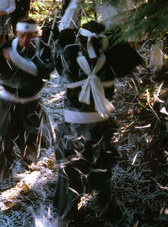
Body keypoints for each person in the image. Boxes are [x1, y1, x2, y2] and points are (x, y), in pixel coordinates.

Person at [53, 20, 142, 226]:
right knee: (102, 163)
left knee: (71, 167)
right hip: (102, 124)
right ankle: (103, 202)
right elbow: (130, 59)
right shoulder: (113, 62)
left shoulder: (70, 61)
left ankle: (68, 210)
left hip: (75, 125)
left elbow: (60, 43)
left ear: (81, 43)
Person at [0, 18, 54, 198]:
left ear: (36, 34)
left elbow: (42, 71)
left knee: (30, 139)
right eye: (21, 35)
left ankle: (29, 159)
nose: (25, 39)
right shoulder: (7, 46)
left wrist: (16, 59)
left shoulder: (44, 50)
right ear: (16, 33)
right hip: (7, 103)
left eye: (30, 35)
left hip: (31, 103)